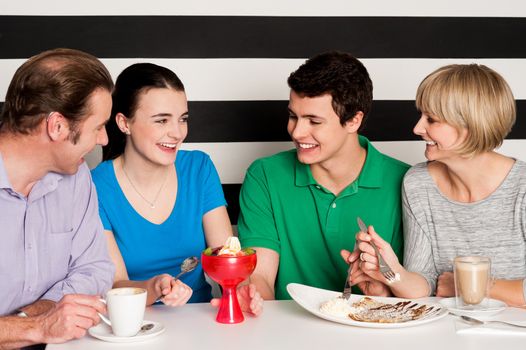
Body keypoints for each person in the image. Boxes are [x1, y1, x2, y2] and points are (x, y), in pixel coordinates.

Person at [91, 63, 263, 314]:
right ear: (124, 123)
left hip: (198, 319)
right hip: (134, 322)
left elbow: (226, 257)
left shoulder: (198, 168)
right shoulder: (95, 186)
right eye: (161, 120)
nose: (177, 133)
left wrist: (238, 292)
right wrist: (154, 287)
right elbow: (116, 285)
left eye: (182, 119)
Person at [237, 51, 410, 300]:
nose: (297, 132)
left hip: (373, 328)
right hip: (287, 331)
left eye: (314, 121)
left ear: (353, 121)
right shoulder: (264, 175)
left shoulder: (405, 182)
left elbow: (413, 286)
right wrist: (252, 298)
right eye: (293, 116)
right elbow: (260, 276)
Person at [353, 64, 526, 306]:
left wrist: (470, 285)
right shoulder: (418, 183)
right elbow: (424, 283)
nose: (417, 128)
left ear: (470, 125)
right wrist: (392, 272)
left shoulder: (522, 187)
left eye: (431, 119)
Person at [0, 48, 115, 348]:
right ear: (57, 126)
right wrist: (36, 327)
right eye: (99, 127)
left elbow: (95, 271)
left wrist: (33, 317)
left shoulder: (76, 177)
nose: (103, 140)